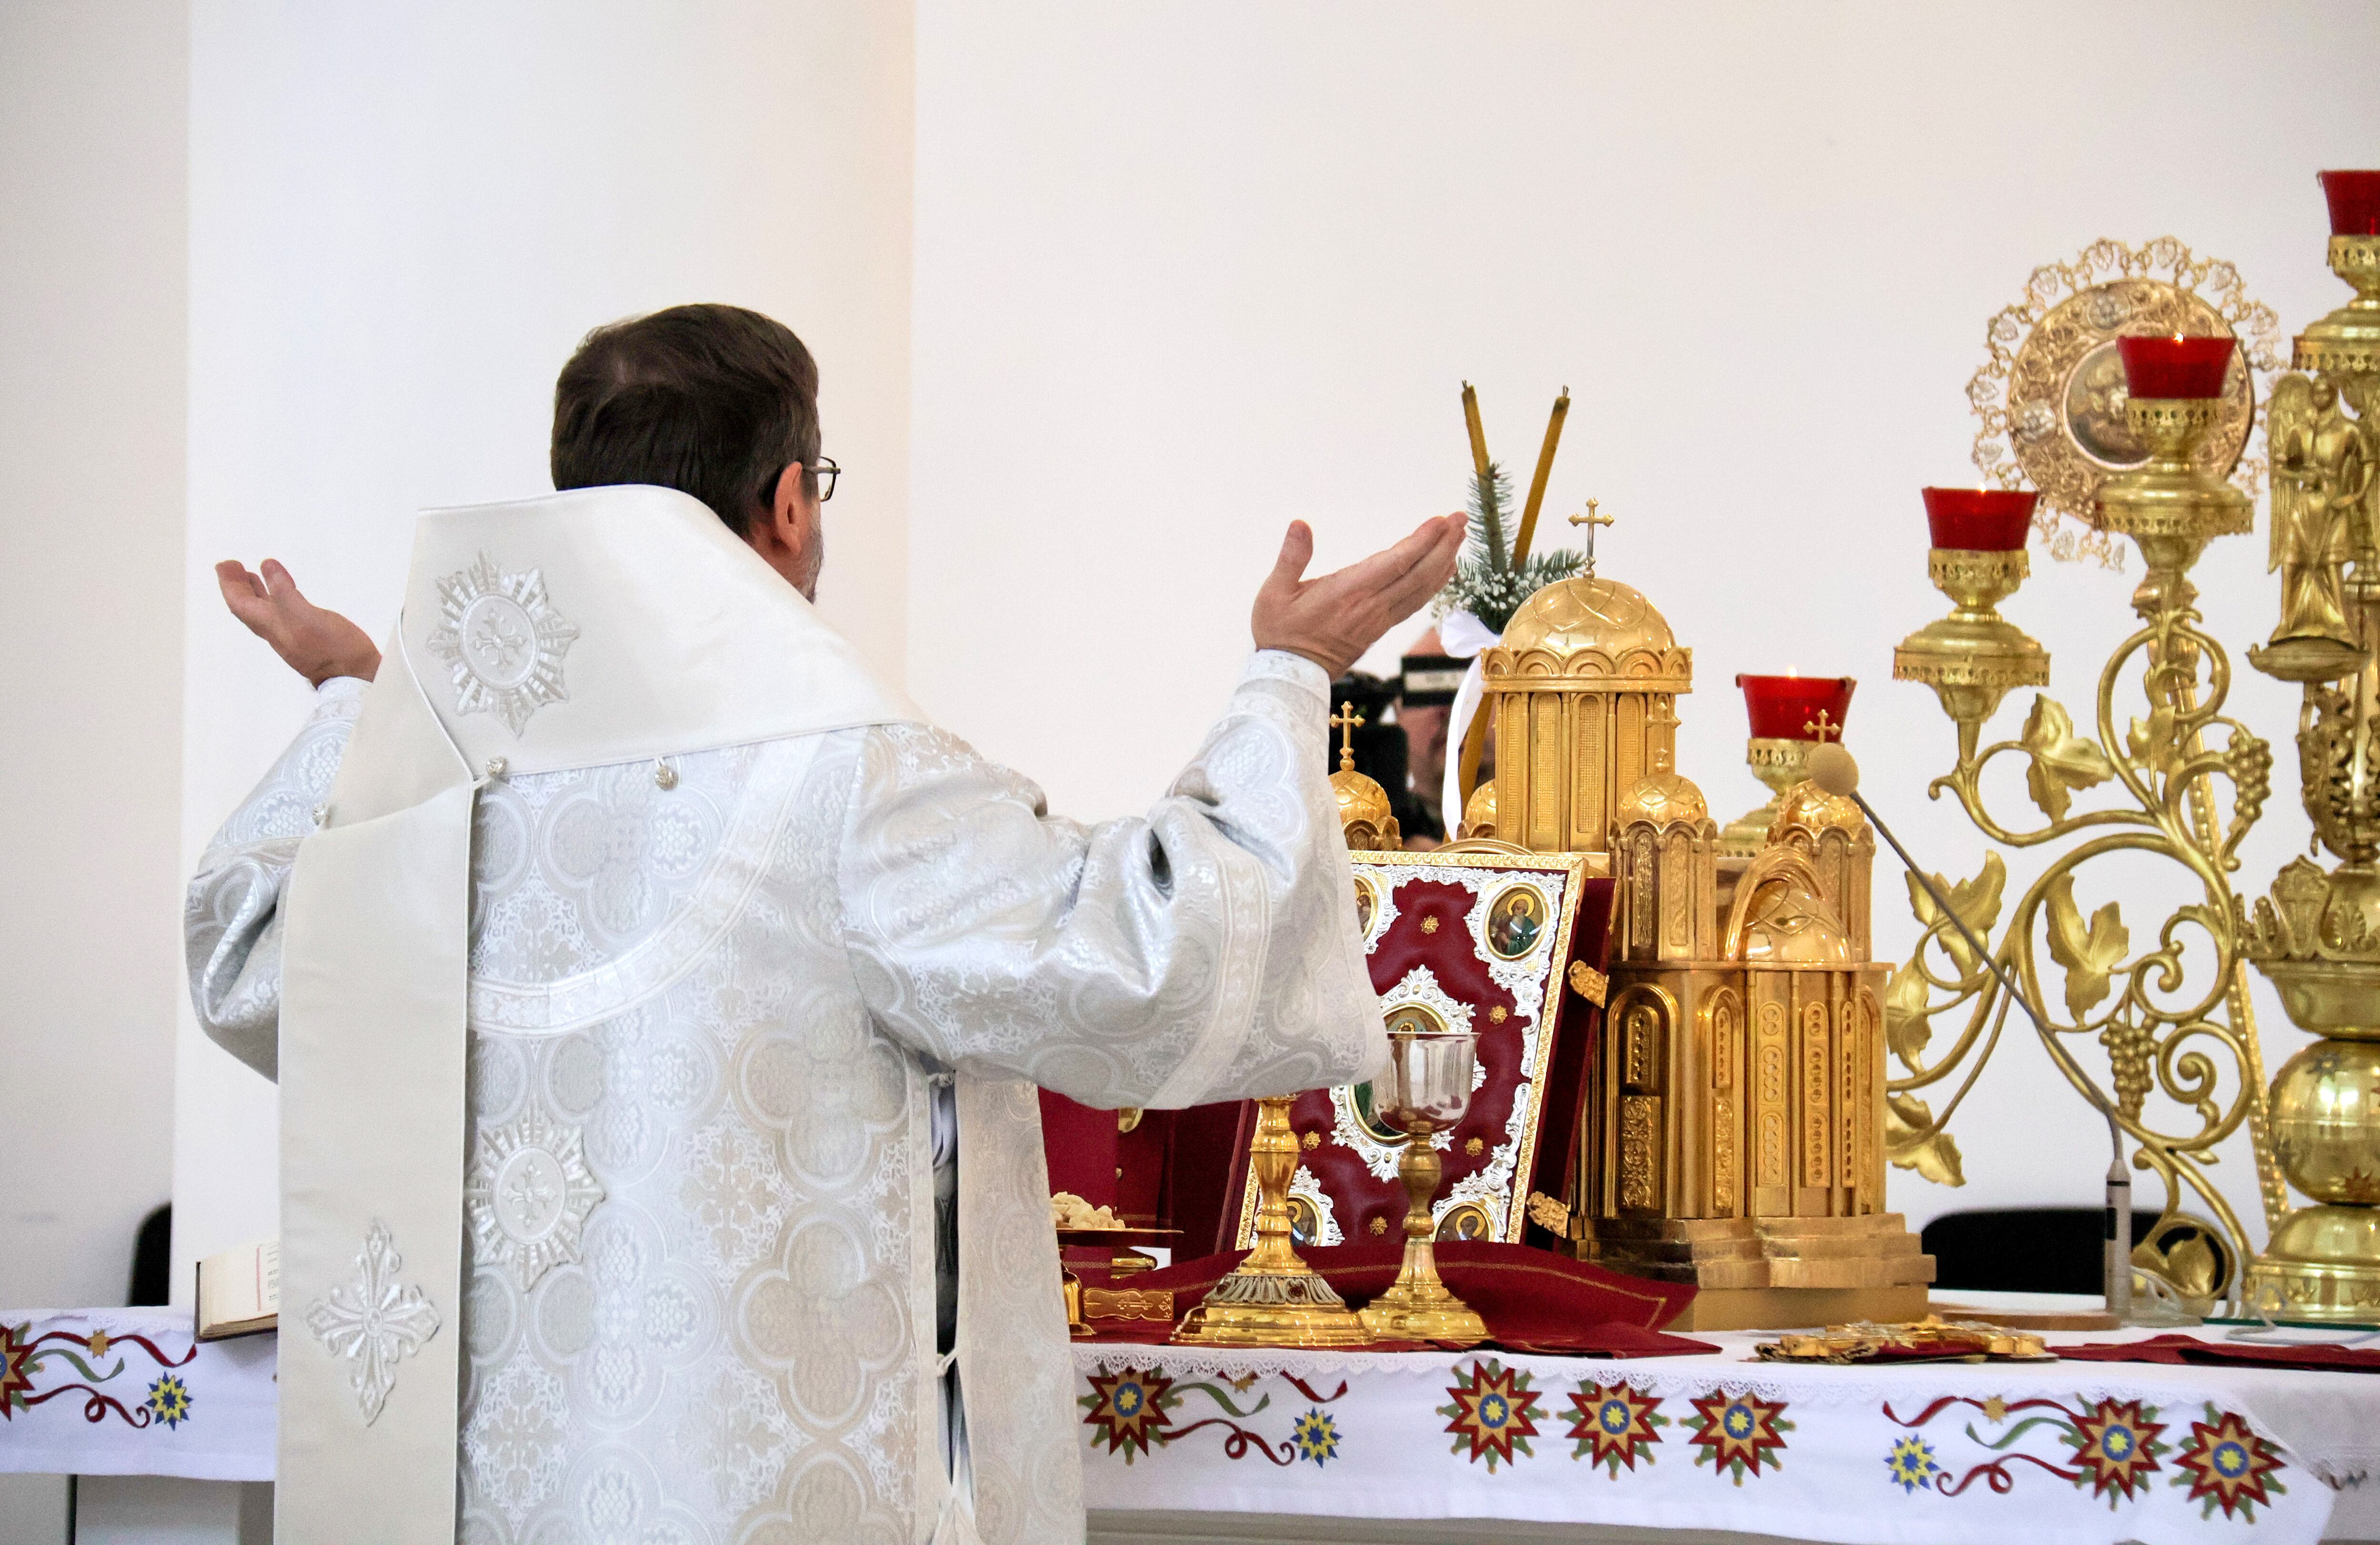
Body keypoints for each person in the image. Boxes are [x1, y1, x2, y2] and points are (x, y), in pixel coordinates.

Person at [186, 303, 1463, 1545]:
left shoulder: (439, 799)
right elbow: (1148, 959)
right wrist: (1288, 680)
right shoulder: (848, 785)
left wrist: (361, 701)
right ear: (790, 502)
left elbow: (249, 950)